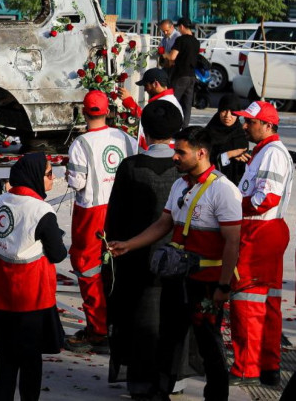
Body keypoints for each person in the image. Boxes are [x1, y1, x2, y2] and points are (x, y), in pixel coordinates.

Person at [108, 127, 242, 401]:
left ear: (201, 153)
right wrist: (128, 244)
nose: (175, 157)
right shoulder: (181, 184)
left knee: (208, 345)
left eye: (181, 152)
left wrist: (223, 286)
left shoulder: (224, 190)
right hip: (177, 277)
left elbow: (232, 243)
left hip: (207, 282)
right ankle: (161, 392)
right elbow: (163, 223)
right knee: (169, 337)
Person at [104, 101, 184, 399]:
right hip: (178, 258)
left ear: (145, 131)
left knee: (139, 319)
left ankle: (140, 381)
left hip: (135, 256)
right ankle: (171, 378)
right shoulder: (183, 170)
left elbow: (115, 217)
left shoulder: (132, 167)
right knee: (172, 319)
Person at [0, 153, 67, 401]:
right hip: (31, 298)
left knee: (6, 359)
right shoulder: (41, 210)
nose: (53, 179)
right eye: (49, 174)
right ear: (35, 177)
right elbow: (59, 253)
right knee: (31, 361)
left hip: (0, 296)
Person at [65, 90, 137, 353]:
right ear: (108, 111)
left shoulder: (80, 144)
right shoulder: (126, 138)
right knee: (117, 268)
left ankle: (98, 330)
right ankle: (118, 325)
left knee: (88, 268)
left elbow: (77, 182)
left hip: (91, 212)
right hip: (121, 208)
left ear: (84, 112)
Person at [229, 101, 293, 387]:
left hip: (259, 232)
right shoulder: (267, 152)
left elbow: (264, 199)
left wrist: (230, 205)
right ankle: (267, 366)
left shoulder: (271, 154)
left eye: (250, 122)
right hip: (266, 231)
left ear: (267, 125)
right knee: (266, 303)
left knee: (247, 301)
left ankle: (247, 368)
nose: (244, 125)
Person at [119, 68, 183, 150]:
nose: (145, 89)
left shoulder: (166, 102)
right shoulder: (168, 100)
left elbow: (150, 121)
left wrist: (129, 102)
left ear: (155, 84)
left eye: (146, 85)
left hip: (161, 148)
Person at [161, 17, 199, 127]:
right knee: (187, 105)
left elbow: (172, 56)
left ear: (181, 26)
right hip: (192, 76)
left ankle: (171, 125)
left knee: (173, 101)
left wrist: (164, 55)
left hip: (180, 75)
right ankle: (184, 126)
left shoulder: (180, 40)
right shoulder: (196, 41)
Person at [203, 95, 248, 185]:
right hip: (210, 184)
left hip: (234, 187)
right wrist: (228, 155)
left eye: (233, 112)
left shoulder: (241, 135)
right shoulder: (208, 133)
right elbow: (203, 160)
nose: (228, 116)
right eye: (224, 110)